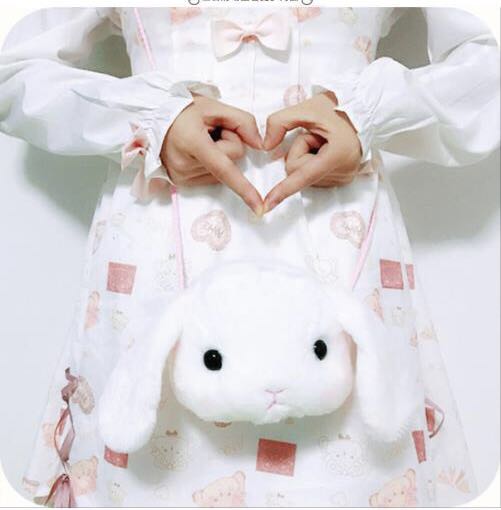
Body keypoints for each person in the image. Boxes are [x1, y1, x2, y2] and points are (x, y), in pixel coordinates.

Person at [0, 6, 498, 507]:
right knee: (146, 453)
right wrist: (152, 120)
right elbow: (14, 70)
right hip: (160, 261)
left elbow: (487, 64)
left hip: (338, 249)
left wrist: (366, 114)